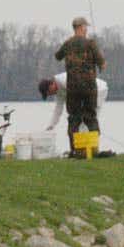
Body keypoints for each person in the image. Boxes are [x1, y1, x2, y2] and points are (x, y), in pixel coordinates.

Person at [54, 16, 105, 157]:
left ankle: (74, 150)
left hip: (73, 87)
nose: (87, 29)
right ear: (80, 27)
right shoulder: (90, 43)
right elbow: (102, 63)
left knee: (74, 118)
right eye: (85, 27)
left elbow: (57, 56)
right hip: (89, 87)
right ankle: (93, 149)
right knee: (91, 117)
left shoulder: (67, 44)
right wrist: (99, 65)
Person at [38, 72, 109, 144]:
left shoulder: (64, 80)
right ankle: (85, 148)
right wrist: (51, 126)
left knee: (89, 118)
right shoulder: (58, 92)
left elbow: (79, 92)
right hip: (88, 93)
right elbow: (58, 110)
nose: (51, 94)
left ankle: (90, 147)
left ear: (51, 85)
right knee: (82, 122)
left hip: (98, 89)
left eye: (49, 92)